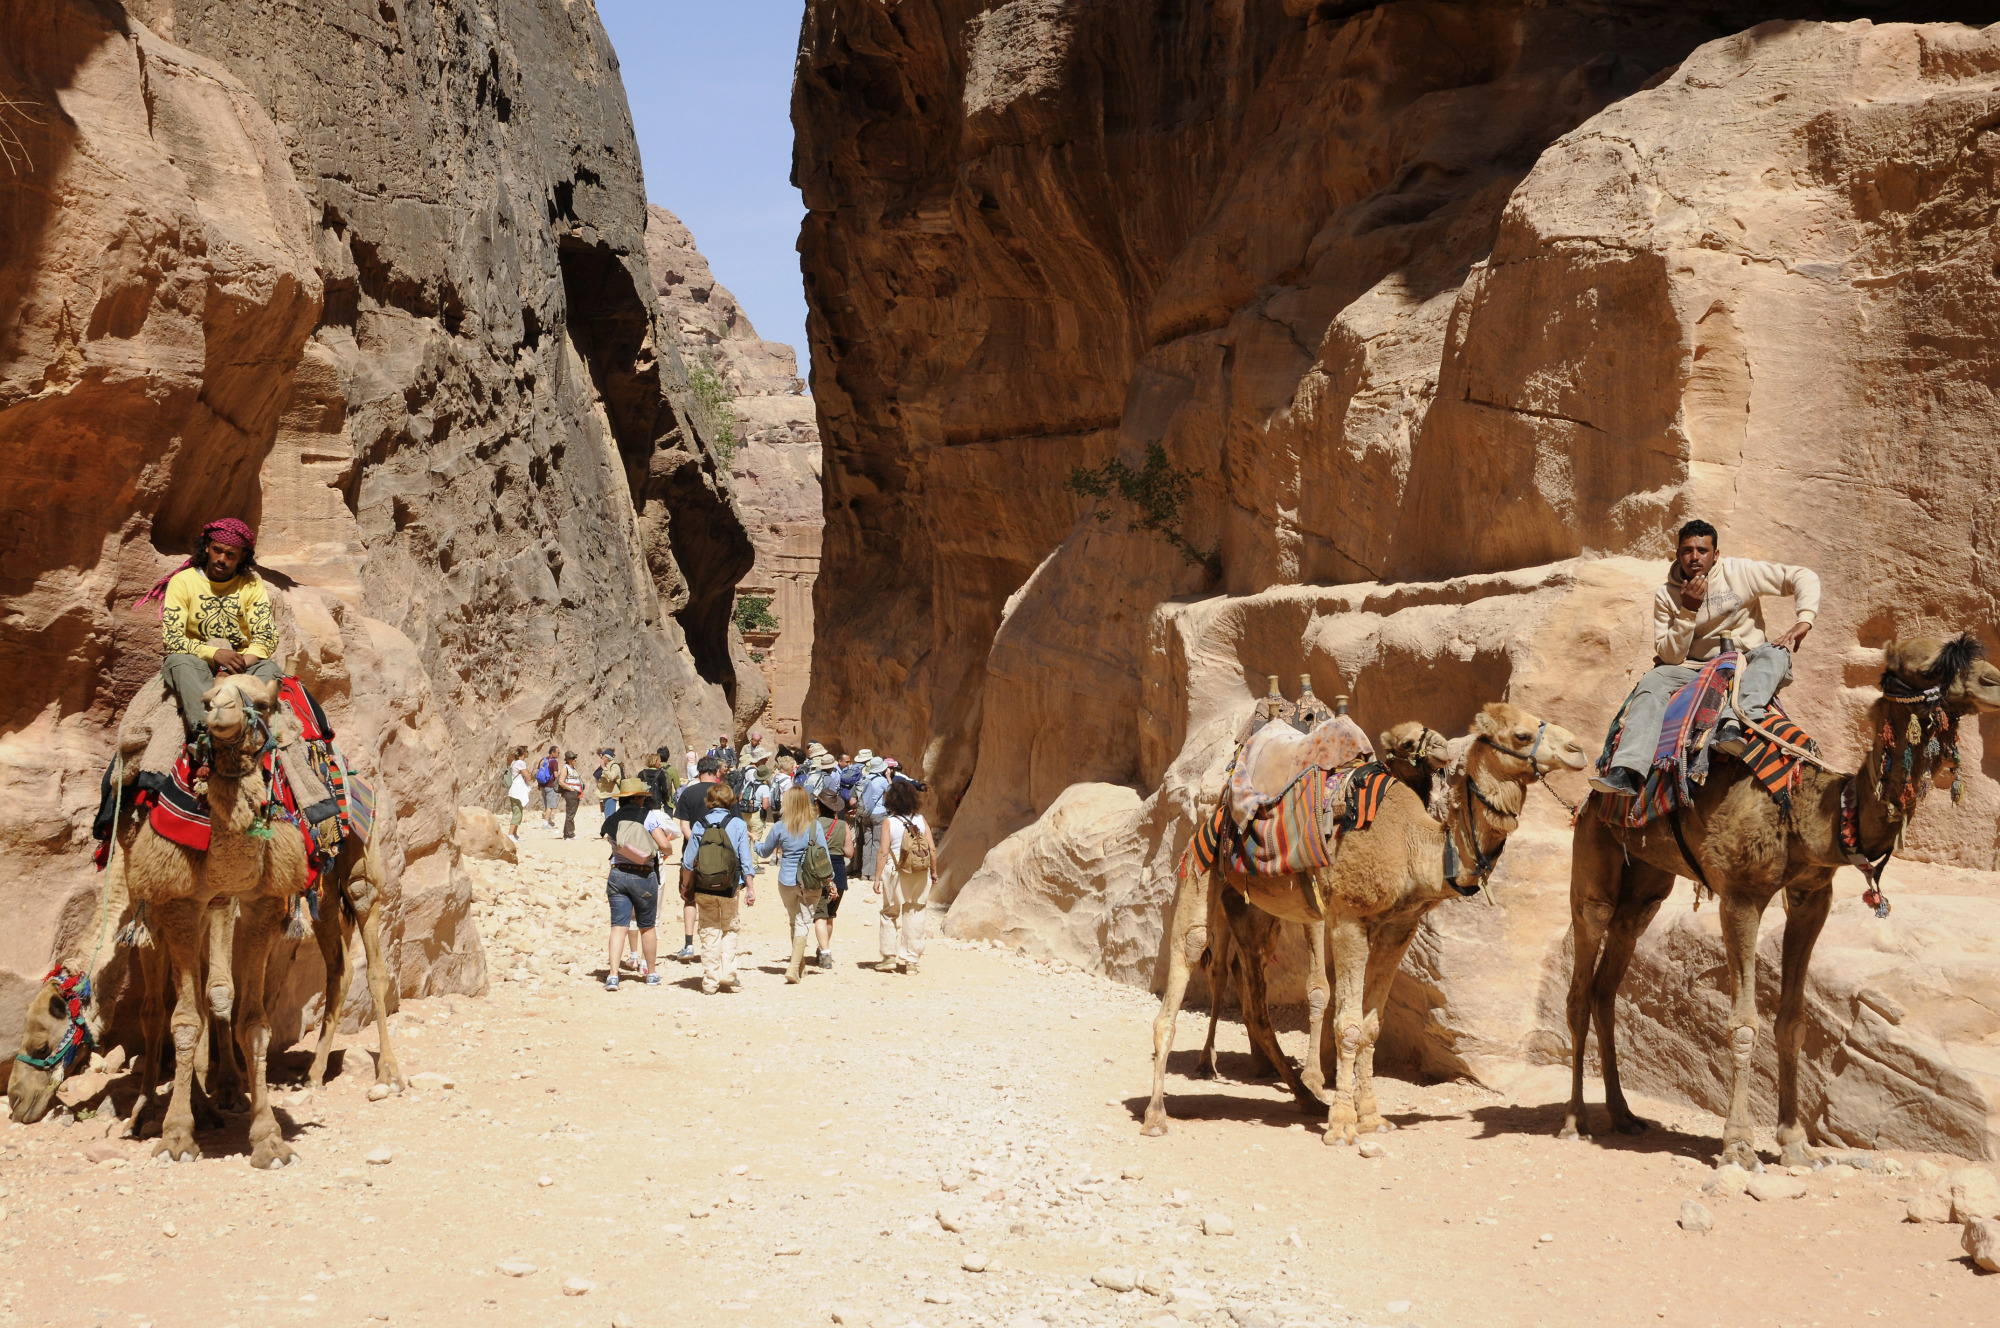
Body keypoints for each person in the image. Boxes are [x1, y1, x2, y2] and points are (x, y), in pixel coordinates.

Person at [1589, 519, 1821, 796]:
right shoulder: (1666, 595)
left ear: (1716, 554)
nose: (1695, 557)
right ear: (1678, 554)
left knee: (1776, 653)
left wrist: (1804, 620)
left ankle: (1731, 723)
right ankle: (1626, 771)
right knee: (1653, 680)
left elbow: (1803, 576)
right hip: (1692, 667)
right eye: (1687, 550)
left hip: (1744, 661)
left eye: (1702, 550)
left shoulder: (1740, 571)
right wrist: (1688, 610)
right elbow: (1669, 655)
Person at [138, 517, 285, 741]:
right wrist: (214, 654)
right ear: (207, 546)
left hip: (241, 666)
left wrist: (236, 665)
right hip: (196, 664)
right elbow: (172, 638)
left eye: (231, 555)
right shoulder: (183, 581)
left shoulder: (251, 583)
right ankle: (206, 734)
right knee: (178, 661)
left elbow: (266, 637)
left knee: (270, 669)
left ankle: (243, 726)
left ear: (243, 556)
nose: (222, 559)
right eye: (217, 550)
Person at [600, 778, 676, 992]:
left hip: (617, 874)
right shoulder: (648, 816)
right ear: (639, 798)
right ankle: (651, 973)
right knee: (647, 926)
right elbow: (664, 845)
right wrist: (665, 851)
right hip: (643, 876)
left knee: (618, 926)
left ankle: (613, 975)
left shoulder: (611, 819)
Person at [680, 783, 756, 994]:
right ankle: (728, 973)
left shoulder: (699, 824)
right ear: (730, 801)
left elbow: (688, 862)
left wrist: (686, 886)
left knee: (709, 929)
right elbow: (746, 860)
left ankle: (710, 981)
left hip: (704, 885)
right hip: (730, 886)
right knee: (729, 928)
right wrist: (750, 888)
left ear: (709, 801)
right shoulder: (738, 824)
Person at [756, 786, 834, 983]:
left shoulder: (780, 827)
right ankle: (793, 967)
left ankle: (799, 965)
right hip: (810, 881)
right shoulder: (814, 826)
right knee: (803, 922)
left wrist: (755, 841)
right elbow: (824, 856)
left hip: (787, 881)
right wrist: (830, 880)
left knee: (794, 921)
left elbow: (765, 852)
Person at [873, 778, 935, 974]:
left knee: (890, 912)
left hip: (896, 871)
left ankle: (888, 957)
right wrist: (934, 871)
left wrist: (876, 877)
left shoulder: (889, 822)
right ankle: (911, 961)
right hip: (919, 871)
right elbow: (932, 849)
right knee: (915, 912)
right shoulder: (921, 820)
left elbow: (883, 852)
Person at [672, 756, 724, 959]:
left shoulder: (689, 792)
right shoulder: (724, 793)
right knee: (718, 899)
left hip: (692, 854)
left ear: (698, 771)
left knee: (689, 897)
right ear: (717, 772)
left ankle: (688, 944)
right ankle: (715, 945)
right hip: (720, 853)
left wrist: (698, 844)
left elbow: (684, 826)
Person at [813, 786, 851, 970]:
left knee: (819, 914)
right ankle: (823, 948)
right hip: (839, 870)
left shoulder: (814, 824)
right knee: (830, 915)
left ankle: (825, 952)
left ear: (819, 806)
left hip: (819, 870)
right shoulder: (843, 826)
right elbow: (850, 852)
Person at [856, 755, 891, 879]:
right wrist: (888, 778)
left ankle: (865, 873)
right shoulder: (881, 780)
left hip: (866, 814)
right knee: (877, 843)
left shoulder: (865, 778)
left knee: (867, 843)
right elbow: (891, 792)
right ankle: (874, 874)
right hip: (878, 813)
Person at [505, 745, 530, 841]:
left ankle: (514, 834)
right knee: (517, 813)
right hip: (517, 791)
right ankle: (510, 834)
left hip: (514, 790)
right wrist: (529, 776)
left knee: (518, 811)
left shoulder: (514, 762)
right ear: (524, 753)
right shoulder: (520, 763)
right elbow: (527, 776)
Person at [559, 750, 584, 839]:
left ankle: (567, 833)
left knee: (571, 813)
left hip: (576, 792)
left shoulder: (573, 768)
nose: (575, 760)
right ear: (568, 759)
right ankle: (570, 833)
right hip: (571, 792)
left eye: (575, 758)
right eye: (573, 758)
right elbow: (561, 782)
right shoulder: (565, 768)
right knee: (570, 813)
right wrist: (570, 788)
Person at [535, 745, 561, 830]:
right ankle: (545, 823)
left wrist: (539, 784)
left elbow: (538, 772)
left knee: (546, 805)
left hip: (542, 785)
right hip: (550, 785)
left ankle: (548, 821)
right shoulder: (554, 762)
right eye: (558, 752)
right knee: (550, 805)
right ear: (552, 752)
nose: (559, 754)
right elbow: (556, 775)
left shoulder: (542, 760)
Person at [593, 748, 624, 816]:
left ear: (607, 757)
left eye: (602, 756)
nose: (601, 758)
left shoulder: (614, 766)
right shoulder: (607, 766)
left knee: (609, 817)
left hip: (610, 795)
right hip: (605, 795)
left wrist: (604, 768)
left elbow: (612, 777)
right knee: (607, 816)